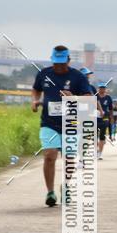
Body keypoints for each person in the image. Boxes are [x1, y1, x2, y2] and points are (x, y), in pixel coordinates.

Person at [31, 45, 92, 206]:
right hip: (48, 123)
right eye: (56, 63)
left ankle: (65, 185)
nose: (59, 66)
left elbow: (88, 98)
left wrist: (74, 97)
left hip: (71, 123)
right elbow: (36, 90)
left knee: (70, 158)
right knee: (50, 156)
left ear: (68, 60)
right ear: (52, 60)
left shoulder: (78, 77)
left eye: (62, 63)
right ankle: (50, 192)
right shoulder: (43, 74)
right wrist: (35, 101)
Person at [96, 84, 113, 160]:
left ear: (105, 89)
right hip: (95, 118)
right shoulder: (95, 96)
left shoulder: (108, 97)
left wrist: (111, 117)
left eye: (103, 88)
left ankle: (100, 153)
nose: (102, 90)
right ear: (98, 89)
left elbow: (111, 108)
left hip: (104, 118)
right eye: (101, 88)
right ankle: (96, 150)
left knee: (102, 136)